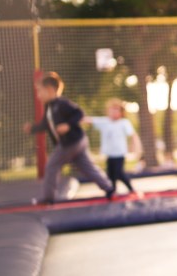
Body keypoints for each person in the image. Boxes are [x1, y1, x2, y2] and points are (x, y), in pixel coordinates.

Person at [23, 72, 115, 203]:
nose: (38, 96)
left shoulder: (62, 103)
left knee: (51, 166)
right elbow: (45, 124)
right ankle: (109, 188)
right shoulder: (48, 107)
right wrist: (32, 128)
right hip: (76, 142)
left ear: (49, 90)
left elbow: (79, 113)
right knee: (87, 167)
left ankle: (48, 198)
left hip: (72, 142)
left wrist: (68, 125)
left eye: (39, 91)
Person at [83, 98, 142, 197]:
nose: (114, 112)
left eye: (117, 110)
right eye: (112, 109)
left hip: (119, 154)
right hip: (109, 154)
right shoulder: (104, 122)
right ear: (108, 111)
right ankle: (111, 192)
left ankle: (131, 190)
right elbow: (89, 120)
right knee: (111, 175)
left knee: (119, 173)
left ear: (121, 112)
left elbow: (133, 135)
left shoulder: (124, 123)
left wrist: (135, 148)